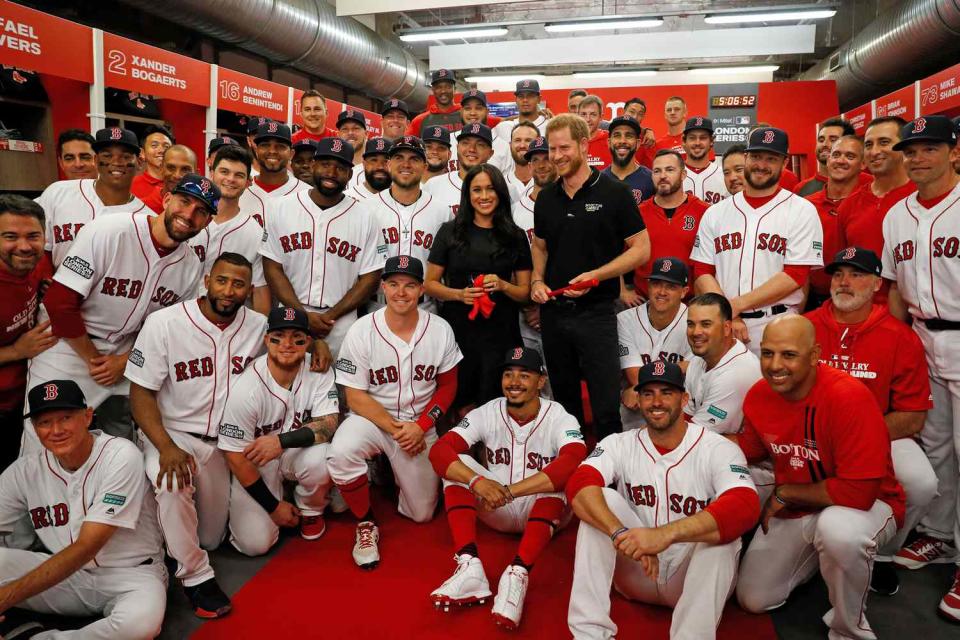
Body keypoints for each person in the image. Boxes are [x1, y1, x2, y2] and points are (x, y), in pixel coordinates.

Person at [735, 316, 905, 639]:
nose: (774, 365)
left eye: (788, 355)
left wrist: (786, 493)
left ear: (814, 355)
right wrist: (691, 440)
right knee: (753, 598)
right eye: (767, 353)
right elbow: (751, 449)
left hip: (869, 504)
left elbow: (860, 492)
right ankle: (827, 560)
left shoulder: (848, 396)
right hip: (805, 504)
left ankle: (848, 628)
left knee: (838, 531)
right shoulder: (759, 395)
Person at [567, 360, 759, 640]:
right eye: (648, 393)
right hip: (637, 569)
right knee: (600, 500)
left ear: (684, 398)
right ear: (638, 398)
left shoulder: (716, 448)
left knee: (722, 538)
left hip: (688, 578)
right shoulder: (619, 443)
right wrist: (619, 532)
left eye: (666, 392)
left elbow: (745, 506)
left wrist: (662, 536)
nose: (656, 402)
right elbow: (578, 485)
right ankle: (589, 633)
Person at [26, 174, 216, 451]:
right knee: (45, 442)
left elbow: (170, 330)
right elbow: (59, 302)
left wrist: (125, 361)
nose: (189, 214)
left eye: (201, 211)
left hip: (124, 354)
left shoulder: (188, 265)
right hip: (68, 346)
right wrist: (94, 359)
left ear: (208, 222)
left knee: (122, 443)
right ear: (166, 199)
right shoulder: (110, 230)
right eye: (184, 201)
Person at [125, 252, 265, 618]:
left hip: (224, 445)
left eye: (238, 284)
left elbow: (289, 346)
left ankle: (174, 541)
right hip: (174, 433)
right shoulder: (164, 323)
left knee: (211, 538)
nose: (228, 291)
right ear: (206, 280)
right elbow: (140, 393)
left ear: (249, 290)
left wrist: (314, 345)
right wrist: (165, 446)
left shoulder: (258, 326)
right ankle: (196, 578)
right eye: (222, 281)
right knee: (171, 480)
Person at [805, 246, 935, 596]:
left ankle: (882, 554)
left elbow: (913, 416)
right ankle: (810, 547)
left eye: (857, 274)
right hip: (811, 435)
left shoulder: (898, 335)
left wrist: (860, 436)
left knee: (922, 481)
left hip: (879, 434)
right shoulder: (806, 327)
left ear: (877, 283)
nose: (845, 282)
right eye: (838, 274)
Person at [428, 347, 586, 630]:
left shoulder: (560, 416)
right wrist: (477, 481)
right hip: (494, 504)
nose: (514, 382)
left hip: (540, 507)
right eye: (508, 374)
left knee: (563, 479)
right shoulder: (488, 411)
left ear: (541, 381)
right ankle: (469, 564)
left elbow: (573, 460)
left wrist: (510, 490)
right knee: (458, 464)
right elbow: (440, 451)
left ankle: (518, 573)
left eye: (524, 375)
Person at [0, 380, 166, 639]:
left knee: (140, 625)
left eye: (66, 417)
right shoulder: (24, 471)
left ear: (88, 416)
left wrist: (6, 598)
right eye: (44, 422)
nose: (56, 430)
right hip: (65, 580)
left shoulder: (121, 456)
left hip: (132, 576)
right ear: (34, 428)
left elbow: (88, 546)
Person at [328, 256, 461, 569]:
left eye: (410, 285)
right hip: (374, 420)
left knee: (422, 514)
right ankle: (365, 522)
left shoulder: (439, 329)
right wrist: (396, 429)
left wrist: (422, 425)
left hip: (420, 424)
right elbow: (354, 396)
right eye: (394, 284)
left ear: (421, 290)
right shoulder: (362, 330)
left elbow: (448, 387)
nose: (402, 292)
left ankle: (391, 473)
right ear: (383, 287)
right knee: (341, 451)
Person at [881, 115, 960, 621]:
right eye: (911, 150)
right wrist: (893, 352)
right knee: (934, 448)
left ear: (954, 152)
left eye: (930, 147)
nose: (918, 157)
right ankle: (940, 535)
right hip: (920, 337)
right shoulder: (897, 215)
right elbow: (892, 289)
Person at [531, 114, 650, 440]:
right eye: (552, 149)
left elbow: (641, 249)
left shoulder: (615, 193)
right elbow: (539, 246)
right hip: (553, 316)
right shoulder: (546, 198)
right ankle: (571, 476)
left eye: (564, 147)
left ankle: (609, 480)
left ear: (584, 145)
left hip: (597, 314)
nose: (556, 156)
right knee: (565, 407)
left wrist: (598, 275)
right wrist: (537, 281)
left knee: (605, 408)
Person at [218, 306, 340, 555]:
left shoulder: (317, 368)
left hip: (293, 451)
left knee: (324, 458)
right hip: (256, 462)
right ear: (267, 340)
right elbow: (234, 455)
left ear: (308, 341)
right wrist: (273, 507)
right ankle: (280, 498)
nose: (287, 344)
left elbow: (328, 424)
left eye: (296, 338)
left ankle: (309, 509)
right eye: (278, 337)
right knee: (254, 545)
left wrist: (281, 441)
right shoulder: (246, 388)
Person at [691, 127, 823, 354]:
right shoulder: (716, 212)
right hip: (724, 324)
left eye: (771, 159)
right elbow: (702, 270)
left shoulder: (802, 210)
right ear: (746, 157)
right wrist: (728, 315)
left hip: (777, 321)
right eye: (756, 156)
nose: (762, 165)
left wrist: (733, 307)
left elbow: (795, 275)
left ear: (784, 164)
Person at [260, 138, 385, 362]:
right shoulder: (280, 207)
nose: (332, 172)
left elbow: (371, 277)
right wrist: (302, 315)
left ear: (349, 174)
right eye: (326, 164)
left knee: (341, 390)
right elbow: (272, 266)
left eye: (340, 167)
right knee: (286, 386)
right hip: (290, 314)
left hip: (341, 322)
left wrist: (330, 316)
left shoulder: (366, 216)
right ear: (314, 165)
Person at [425, 165, 532, 414]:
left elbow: (525, 293)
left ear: (501, 193)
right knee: (456, 402)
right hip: (458, 332)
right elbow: (429, 284)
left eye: (490, 189)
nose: (484, 196)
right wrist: (459, 294)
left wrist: (504, 285)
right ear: (467, 195)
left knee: (494, 407)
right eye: (477, 190)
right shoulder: (449, 231)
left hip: (501, 333)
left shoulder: (515, 236)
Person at [36, 127, 148, 268]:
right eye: (107, 155)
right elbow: (42, 249)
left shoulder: (145, 217)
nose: (116, 162)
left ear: (139, 162)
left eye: (125, 156)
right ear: (97, 159)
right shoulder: (56, 192)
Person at [0, 196, 55, 470]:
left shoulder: (36, 266)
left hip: (22, 398)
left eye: (33, 236)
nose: (23, 246)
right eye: (10, 236)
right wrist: (16, 351)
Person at [836, 117, 915, 302]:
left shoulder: (921, 196)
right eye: (869, 145)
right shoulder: (849, 205)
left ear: (903, 147)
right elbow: (842, 267)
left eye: (884, 142)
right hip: (864, 312)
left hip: (919, 315)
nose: (874, 151)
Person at [190, 144, 271, 315]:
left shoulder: (255, 233)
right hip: (181, 314)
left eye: (239, 175)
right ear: (211, 174)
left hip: (230, 321)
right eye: (224, 172)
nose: (231, 179)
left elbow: (260, 291)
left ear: (248, 182)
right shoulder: (187, 218)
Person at [362, 136, 448, 294]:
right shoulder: (366, 208)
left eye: (414, 159)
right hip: (376, 306)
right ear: (389, 164)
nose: (406, 165)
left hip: (426, 306)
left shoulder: (442, 211)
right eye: (398, 158)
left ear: (425, 166)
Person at [617, 258, 692, 430]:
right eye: (657, 284)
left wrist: (639, 385)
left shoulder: (694, 321)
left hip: (680, 405)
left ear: (684, 291)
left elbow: (695, 366)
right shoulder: (625, 320)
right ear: (648, 286)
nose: (662, 292)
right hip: (639, 404)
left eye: (671, 286)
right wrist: (679, 367)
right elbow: (635, 376)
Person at [632, 150, 708, 300]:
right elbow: (619, 254)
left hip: (689, 302)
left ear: (683, 175)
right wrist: (623, 290)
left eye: (670, 170)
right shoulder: (637, 213)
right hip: (645, 301)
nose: (663, 176)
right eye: (657, 171)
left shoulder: (704, 211)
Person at [804, 136, 867, 310]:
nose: (841, 160)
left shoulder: (870, 202)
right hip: (813, 299)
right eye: (836, 154)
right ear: (828, 159)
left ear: (863, 164)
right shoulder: (806, 205)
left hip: (857, 300)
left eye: (850, 156)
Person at [511, 136, 555, 376]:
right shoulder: (516, 210)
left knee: (561, 381)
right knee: (531, 378)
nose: (541, 164)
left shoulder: (568, 204)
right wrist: (528, 306)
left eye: (547, 158)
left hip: (560, 307)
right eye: (535, 159)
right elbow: (510, 263)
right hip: (525, 311)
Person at [239, 121, 311, 227]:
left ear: (291, 154)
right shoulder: (240, 192)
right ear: (257, 150)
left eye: (280, 146)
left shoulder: (308, 195)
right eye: (265, 145)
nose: (272, 151)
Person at [425, 123, 502, 218]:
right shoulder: (433, 185)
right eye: (466, 143)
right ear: (457, 148)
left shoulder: (504, 187)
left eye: (480, 144)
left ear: (490, 153)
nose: (472, 149)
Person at [794, 118, 865, 197]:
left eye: (833, 140)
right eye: (821, 140)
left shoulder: (868, 183)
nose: (824, 144)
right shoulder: (801, 189)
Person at [452, 90, 513, 176]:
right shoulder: (448, 141)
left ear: (487, 112)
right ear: (461, 112)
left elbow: (507, 183)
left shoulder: (503, 146)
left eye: (478, 108)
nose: (472, 113)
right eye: (468, 108)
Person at [603, 115, 654, 204]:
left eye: (629, 136)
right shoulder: (599, 180)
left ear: (638, 144)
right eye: (617, 135)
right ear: (609, 142)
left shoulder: (651, 179)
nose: (622, 141)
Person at [681, 117, 728, 204]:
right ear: (684, 141)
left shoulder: (724, 175)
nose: (697, 143)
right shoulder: (674, 176)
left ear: (711, 141)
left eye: (703, 138)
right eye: (692, 138)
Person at [140, 144, 197, 214]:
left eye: (185, 169)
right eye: (171, 168)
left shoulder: (200, 211)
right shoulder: (142, 207)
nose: (177, 175)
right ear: (161, 169)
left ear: (196, 173)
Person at [407, 69, 462, 137]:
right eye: (438, 87)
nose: (443, 91)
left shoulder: (465, 115)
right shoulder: (419, 121)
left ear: (455, 89)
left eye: (448, 87)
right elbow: (407, 145)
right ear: (433, 90)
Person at [493, 79, 551, 143]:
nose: (525, 100)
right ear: (516, 100)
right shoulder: (502, 128)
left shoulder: (550, 126)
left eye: (530, 96)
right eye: (521, 96)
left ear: (539, 99)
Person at [130, 125, 173, 203]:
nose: (161, 150)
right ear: (142, 153)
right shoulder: (130, 185)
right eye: (154, 146)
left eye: (166, 147)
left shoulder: (179, 183)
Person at [576, 95, 611, 170]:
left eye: (593, 114)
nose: (588, 119)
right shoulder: (571, 141)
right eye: (583, 114)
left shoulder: (611, 140)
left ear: (601, 117)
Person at [505, 122, 540, 195]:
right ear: (510, 145)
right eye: (517, 140)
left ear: (538, 145)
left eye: (528, 140)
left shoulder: (550, 182)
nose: (522, 145)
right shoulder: (501, 183)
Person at [621, 98, 657, 168]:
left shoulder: (647, 140)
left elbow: (651, 169)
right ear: (624, 111)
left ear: (643, 116)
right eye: (632, 112)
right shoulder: (611, 132)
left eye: (640, 114)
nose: (635, 117)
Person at [337, 109, 369, 181]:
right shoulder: (331, 168)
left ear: (366, 134)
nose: (350, 133)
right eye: (345, 129)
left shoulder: (373, 169)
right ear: (338, 135)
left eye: (356, 128)